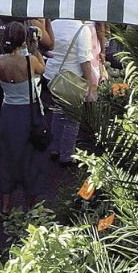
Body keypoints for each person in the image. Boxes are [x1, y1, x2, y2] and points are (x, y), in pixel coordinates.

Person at [0, 21, 45, 211]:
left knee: (7, 157)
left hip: (8, 111)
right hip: (28, 112)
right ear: (23, 39)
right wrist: (35, 47)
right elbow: (43, 70)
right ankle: (30, 204)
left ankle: (5, 205)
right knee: (30, 158)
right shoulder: (29, 60)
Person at [41, 19, 99, 167]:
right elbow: (84, 60)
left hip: (51, 76)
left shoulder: (53, 25)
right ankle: (67, 155)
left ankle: (54, 148)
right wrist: (91, 84)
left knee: (57, 112)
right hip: (71, 79)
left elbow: (46, 50)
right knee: (72, 118)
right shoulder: (82, 29)